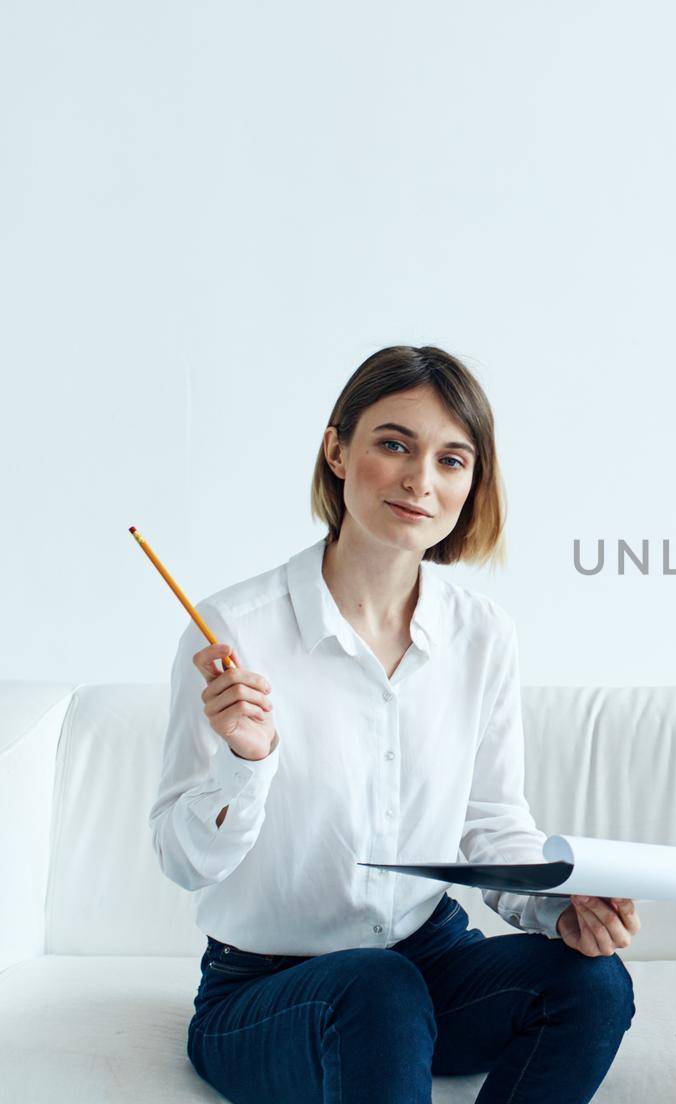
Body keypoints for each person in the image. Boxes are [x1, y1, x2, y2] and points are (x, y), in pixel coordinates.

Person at [150, 346, 638, 1104]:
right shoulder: (229, 633)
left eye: (451, 460)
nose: (420, 481)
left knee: (593, 985)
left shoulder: (483, 635)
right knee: (377, 990)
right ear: (337, 450)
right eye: (394, 444)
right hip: (266, 989)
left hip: (427, 959)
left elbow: (491, 823)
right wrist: (245, 765)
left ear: (471, 484)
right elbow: (182, 862)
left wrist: (557, 908)